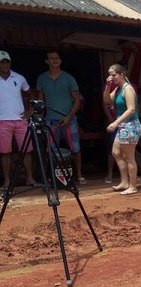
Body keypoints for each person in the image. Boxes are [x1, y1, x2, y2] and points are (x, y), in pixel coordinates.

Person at [36, 50, 85, 184]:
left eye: (57, 58)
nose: (54, 60)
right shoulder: (42, 78)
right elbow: (40, 101)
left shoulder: (69, 78)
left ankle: (79, 175)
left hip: (69, 119)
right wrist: (40, 118)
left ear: (60, 60)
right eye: (51, 58)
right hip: (50, 120)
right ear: (47, 61)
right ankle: (52, 177)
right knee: (51, 150)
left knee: (75, 148)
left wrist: (69, 116)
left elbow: (77, 100)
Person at [103, 63, 141, 195]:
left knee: (128, 157)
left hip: (130, 126)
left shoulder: (128, 89)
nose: (111, 77)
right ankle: (125, 182)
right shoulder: (118, 89)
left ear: (122, 75)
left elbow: (131, 109)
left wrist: (115, 123)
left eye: (113, 75)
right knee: (116, 152)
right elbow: (107, 101)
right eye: (110, 75)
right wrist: (107, 86)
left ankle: (133, 186)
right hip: (123, 126)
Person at [0, 50, 36, 190]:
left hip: (20, 119)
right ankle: (7, 181)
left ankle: (30, 178)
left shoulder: (19, 77)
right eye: (2, 62)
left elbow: (29, 92)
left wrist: (30, 111)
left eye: (7, 62)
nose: (5, 65)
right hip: (3, 120)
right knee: (5, 152)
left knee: (27, 150)